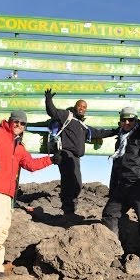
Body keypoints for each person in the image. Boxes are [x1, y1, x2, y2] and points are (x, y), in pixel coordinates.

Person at [0, 110, 61, 280]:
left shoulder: (20, 148)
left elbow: (31, 165)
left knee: (1, 233)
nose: (18, 125)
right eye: (16, 122)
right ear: (9, 122)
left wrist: (52, 160)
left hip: (7, 195)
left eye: (22, 123)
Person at [101, 107, 140, 273]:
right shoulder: (120, 139)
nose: (126, 123)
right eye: (123, 120)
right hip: (122, 187)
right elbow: (116, 166)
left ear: (136, 120)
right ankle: (113, 252)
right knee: (109, 214)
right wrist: (113, 190)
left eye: (130, 120)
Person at [44, 88, 116, 218]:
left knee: (77, 183)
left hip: (75, 158)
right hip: (65, 154)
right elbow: (52, 112)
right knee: (69, 182)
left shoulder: (83, 126)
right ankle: (68, 211)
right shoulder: (67, 116)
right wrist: (48, 99)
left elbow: (99, 133)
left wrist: (116, 131)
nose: (82, 108)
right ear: (75, 106)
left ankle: (70, 210)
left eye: (84, 107)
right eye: (80, 106)